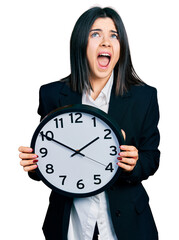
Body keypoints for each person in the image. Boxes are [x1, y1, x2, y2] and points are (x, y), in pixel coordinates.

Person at [19, 6, 160, 240]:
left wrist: (134, 163)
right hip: (71, 224)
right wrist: (36, 165)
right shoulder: (52, 95)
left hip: (126, 226)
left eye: (113, 35)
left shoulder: (144, 97)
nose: (106, 42)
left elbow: (151, 158)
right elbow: (51, 160)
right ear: (80, 44)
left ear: (120, 47)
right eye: (96, 34)